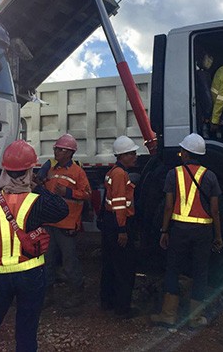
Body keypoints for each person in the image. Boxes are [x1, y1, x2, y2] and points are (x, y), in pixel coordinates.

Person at [0, 140, 69, 352]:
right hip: (31, 276)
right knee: (26, 334)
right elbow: (61, 209)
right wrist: (39, 186)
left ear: (5, 170)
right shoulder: (37, 200)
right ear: (30, 170)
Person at [150, 133, 223, 329]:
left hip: (179, 230)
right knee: (200, 272)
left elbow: (168, 206)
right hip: (204, 232)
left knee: (173, 270)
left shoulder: (173, 174)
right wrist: (218, 236)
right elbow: (215, 210)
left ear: (185, 153)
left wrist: (164, 231)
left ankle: (169, 315)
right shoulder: (210, 176)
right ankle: (195, 318)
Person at [36, 133, 92, 309]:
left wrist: (68, 193)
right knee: (47, 261)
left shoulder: (77, 172)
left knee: (69, 262)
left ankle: (77, 294)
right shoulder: (51, 170)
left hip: (67, 225)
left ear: (69, 153)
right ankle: (47, 295)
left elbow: (87, 194)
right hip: (49, 224)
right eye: (56, 149)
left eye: (60, 149)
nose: (56, 152)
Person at [100, 135, 139, 318]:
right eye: (131, 153)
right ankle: (122, 308)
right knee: (124, 268)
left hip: (110, 222)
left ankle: (107, 301)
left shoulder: (113, 172)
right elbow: (120, 204)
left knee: (110, 264)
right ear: (122, 156)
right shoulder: (120, 174)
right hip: (118, 224)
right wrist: (122, 230)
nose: (135, 156)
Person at [195, 49, 214, 138]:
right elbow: (206, 95)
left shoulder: (201, 74)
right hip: (203, 112)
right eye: (208, 59)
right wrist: (208, 114)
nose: (210, 61)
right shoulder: (203, 75)